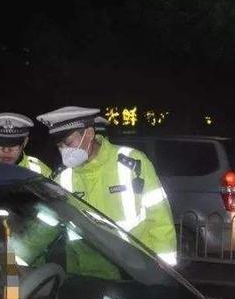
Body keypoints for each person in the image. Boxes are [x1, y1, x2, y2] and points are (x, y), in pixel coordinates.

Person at [36, 106, 177, 266]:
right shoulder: (61, 178)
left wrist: (165, 266)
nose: (64, 150)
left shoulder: (132, 163)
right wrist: (15, 259)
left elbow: (159, 217)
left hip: (135, 270)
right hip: (88, 272)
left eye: (68, 142)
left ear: (89, 134)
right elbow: (45, 226)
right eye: (60, 145)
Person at [0, 112, 52, 177]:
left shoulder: (41, 171)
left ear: (25, 142)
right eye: (0, 143)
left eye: (13, 144)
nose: (6, 150)